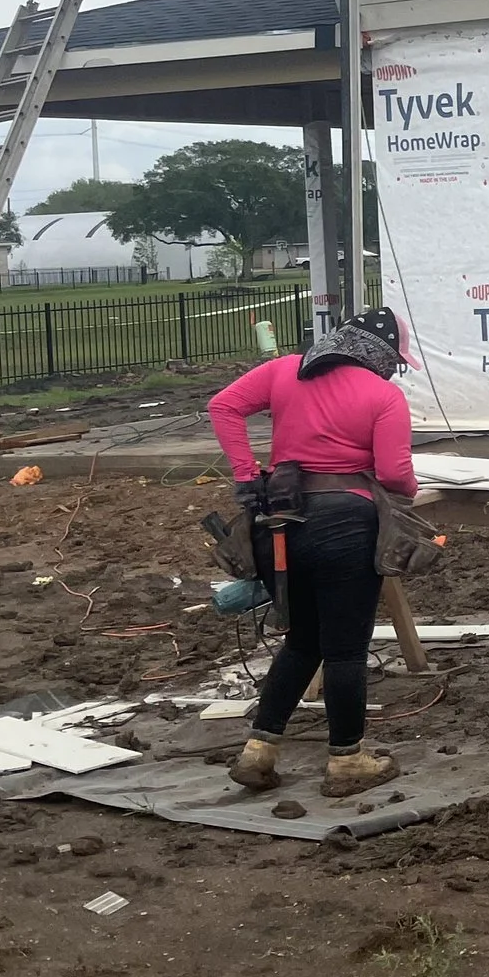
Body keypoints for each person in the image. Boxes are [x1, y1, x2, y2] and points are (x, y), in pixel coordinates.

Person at [207, 307, 417, 798]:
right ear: (378, 356)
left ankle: (258, 753)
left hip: (282, 522)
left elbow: (224, 406)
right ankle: (347, 761)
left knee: (304, 641)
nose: (394, 369)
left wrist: (244, 475)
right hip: (347, 524)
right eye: (394, 361)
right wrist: (412, 490)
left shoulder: (284, 370)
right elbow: (392, 473)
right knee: (345, 648)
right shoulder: (384, 395)